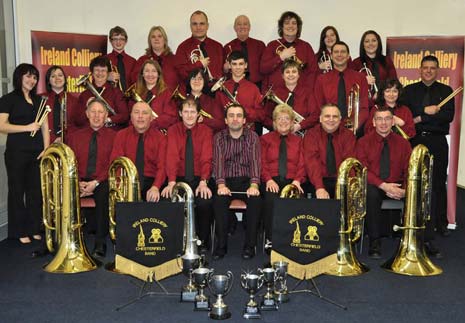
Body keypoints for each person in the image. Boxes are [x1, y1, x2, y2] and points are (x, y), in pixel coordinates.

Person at [402, 55, 455, 253]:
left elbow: (446, 117)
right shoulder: (409, 91)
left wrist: (420, 117)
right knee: (414, 182)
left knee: (438, 182)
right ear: (420, 70)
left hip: (438, 141)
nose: (429, 71)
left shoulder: (446, 91)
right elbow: (406, 114)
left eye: (433, 68)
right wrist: (426, 112)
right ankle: (411, 220)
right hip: (414, 140)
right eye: (426, 68)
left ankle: (440, 223)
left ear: (437, 70)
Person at [0, 63, 50, 244]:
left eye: (35, 77)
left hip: (37, 153)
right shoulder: (8, 99)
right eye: (28, 76)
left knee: (35, 192)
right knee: (17, 191)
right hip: (16, 153)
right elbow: (1, 125)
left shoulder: (39, 101)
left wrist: (46, 148)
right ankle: (19, 231)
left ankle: (34, 228)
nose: (32, 80)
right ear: (19, 77)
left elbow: (45, 126)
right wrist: (26, 127)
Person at [356, 107, 411, 259]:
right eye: (379, 119)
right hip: (375, 185)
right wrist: (384, 186)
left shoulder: (404, 144)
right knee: (371, 193)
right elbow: (363, 170)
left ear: (393, 122)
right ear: (373, 122)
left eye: (387, 119)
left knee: (422, 191)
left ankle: (423, 240)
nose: (383, 123)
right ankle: (375, 241)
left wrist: (405, 190)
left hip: (398, 185)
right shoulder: (362, 142)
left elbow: (409, 170)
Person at [161, 97, 214, 253]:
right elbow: (171, 157)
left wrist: (204, 181)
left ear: (199, 114)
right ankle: (174, 242)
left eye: (193, 112)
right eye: (186, 112)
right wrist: (171, 182)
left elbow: (206, 158)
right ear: (180, 113)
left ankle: (202, 242)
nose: (189, 115)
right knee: (167, 200)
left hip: (199, 179)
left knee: (205, 202)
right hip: (178, 178)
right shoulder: (173, 131)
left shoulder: (206, 131)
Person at [67, 98, 116, 258]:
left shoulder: (115, 136)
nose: (96, 116)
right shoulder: (75, 136)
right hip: (79, 180)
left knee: (103, 194)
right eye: (93, 112)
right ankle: (64, 240)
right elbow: (70, 163)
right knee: (64, 191)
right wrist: (78, 182)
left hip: (101, 180)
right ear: (87, 114)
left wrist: (95, 183)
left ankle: (100, 241)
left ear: (106, 115)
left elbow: (112, 165)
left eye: (100, 112)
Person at [212, 104, 261, 260]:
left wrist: (254, 185)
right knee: (218, 200)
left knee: (256, 200)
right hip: (225, 180)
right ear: (226, 120)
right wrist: (221, 185)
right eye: (231, 115)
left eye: (239, 115)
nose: (235, 119)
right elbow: (218, 163)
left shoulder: (253, 137)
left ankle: (250, 245)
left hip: (247, 180)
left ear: (244, 120)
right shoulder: (218, 137)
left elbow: (255, 163)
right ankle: (221, 245)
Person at [260, 104, 305, 253]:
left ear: (293, 122)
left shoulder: (300, 141)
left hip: (293, 180)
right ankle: (271, 239)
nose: (283, 121)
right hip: (272, 179)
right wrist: (268, 180)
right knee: (271, 200)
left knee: (294, 202)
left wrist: (297, 181)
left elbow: (302, 163)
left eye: (287, 118)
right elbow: (261, 162)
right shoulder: (265, 139)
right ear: (274, 122)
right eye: (280, 118)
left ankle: (292, 238)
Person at [110, 101, 167, 202]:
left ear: (151, 118)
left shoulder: (161, 138)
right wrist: (120, 188)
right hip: (126, 182)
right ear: (131, 117)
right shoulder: (121, 135)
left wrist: (156, 187)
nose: (140, 116)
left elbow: (162, 167)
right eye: (136, 112)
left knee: (164, 200)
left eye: (145, 113)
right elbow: (116, 164)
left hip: (151, 181)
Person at [314, 41, 369, 135]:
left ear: (348, 56)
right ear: (331, 56)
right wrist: (330, 125)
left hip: (354, 131)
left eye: (343, 52)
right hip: (329, 129)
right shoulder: (321, 79)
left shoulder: (360, 78)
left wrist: (354, 126)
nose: (339, 54)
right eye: (336, 52)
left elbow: (364, 107)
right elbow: (319, 107)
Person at [303, 104, 356, 199]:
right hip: (318, 180)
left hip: (341, 180)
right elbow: (312, 163)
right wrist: (319, 187)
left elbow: (349, 162)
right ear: (320, 119)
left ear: (340, 119)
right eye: (327, 116)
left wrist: (347, 187)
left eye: (335, 116)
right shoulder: (311, 135)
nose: (331, 119)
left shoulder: (348, 136)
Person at [260, 11, 318, 90]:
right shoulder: (272, 45)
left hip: (301, 95)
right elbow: (263, 69)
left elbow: (313, 72)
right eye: (287, 23)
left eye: (294, 23)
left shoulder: (306, 47)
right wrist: (280, 57)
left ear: (298, 27)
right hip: (276, 94)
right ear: (282, 27)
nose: (290, 26)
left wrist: (307, 90)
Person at [263, 59, 318, 133]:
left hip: (302, 136)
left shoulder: (308, 92)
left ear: (299, 75)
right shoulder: (275, 93)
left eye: (294, 72)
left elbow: (315, 115)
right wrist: (277, 126)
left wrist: (300, 126)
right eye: (287, 72)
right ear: (282, 75)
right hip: (278, 135)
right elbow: (265, 117)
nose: (291, 75)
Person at [215, 50, 263, 132]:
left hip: (247, 133)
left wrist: (243, 110)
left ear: (246, 65)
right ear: (229, 65)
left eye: (241, 64)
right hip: (225, 133)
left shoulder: (254, 88)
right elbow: (217, 114)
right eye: (234, 64)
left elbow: (260, 115)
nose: (237, 67)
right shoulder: (221, 87)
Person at [75, 56, 129, 129]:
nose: (100, 73)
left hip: (110, 134)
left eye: (103, 70)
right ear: (92, 73)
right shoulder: (84, 95)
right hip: (88, 134)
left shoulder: (116, 92)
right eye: (97, 70)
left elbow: (125, 115)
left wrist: (109, 119)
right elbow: (77, 121)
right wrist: (86, 107)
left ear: (108, 74)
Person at [175, 10, 224, 83]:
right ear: (190, 26)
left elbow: (223, 73)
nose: (198, 27)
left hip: (216, 92)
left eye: (202, 24)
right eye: (195, 24)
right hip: (193, 92)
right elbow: (180, 73)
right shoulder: (182, 48)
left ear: (207, 26)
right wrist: (198, 65)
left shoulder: (218, 47)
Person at [129, 60, 178, 130]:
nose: (150, 74)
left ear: (159, 75)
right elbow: (131, 117)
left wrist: (149, 124)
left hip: (158, 134)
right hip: (138, 133)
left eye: (154, 71)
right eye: (147, 71)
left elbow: (170, 117)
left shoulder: (167, 93)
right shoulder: (135, 94)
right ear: (142, 74)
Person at [350, 30, 397, 101]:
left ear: (378, 43)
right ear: (363, 44)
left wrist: (381, 93)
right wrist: (363, 80)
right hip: (363, 102)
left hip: (384, 102)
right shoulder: (356, 63)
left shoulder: (387, 60)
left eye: (374, 40)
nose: (370, 44)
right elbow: (350, 83)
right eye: (367, 41)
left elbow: (393, 81)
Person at [223, 15, 266, 88]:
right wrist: (225, 69)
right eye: (239, 24)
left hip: (257, 86)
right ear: (235, 28)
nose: (242, 27)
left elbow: (265, 68)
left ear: (249, 27)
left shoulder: (260, 45)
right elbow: (224, 72)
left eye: (245, 24)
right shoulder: (227, 47)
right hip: (235, 86)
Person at [41, 65, 78, 143]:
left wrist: (64, 138)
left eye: (60, 75)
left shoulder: (74, 101)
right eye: (53, 76)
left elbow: (76, 125)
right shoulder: (40, 99)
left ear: (64, 79)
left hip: (68, 143)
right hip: (44, 144)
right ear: (48, 81)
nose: (57, 78)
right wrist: (51, 139)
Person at [181, 68, 224, 132]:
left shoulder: (212, 102)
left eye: (200, 79)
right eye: (193, 78)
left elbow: (221, 124)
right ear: (189, 81)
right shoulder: (182, 101)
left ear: (204, 81)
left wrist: (204, 120)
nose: (196, 81)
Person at [105, 26, 136, 92]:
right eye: (115, 39)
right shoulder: (104, 59)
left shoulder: (133, 61)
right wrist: (106, 77)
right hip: (110, 98)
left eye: (121, 39)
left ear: (126, 41)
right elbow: (95, 80)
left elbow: (137, 82)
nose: (118, 42)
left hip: (128, 99)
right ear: (110, 40)